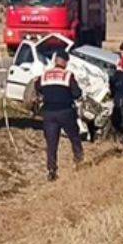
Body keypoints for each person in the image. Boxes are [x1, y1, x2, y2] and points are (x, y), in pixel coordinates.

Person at [35, 49, 84, 181]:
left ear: (55, 61)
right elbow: (76, 93)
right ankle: (79, 161)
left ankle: (52, 171)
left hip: (49, 113)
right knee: (74, 137)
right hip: (65, 111)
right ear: (65, 62)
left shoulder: (45, 75)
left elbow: (37, 86)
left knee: (51, 143)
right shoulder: (68, 75)